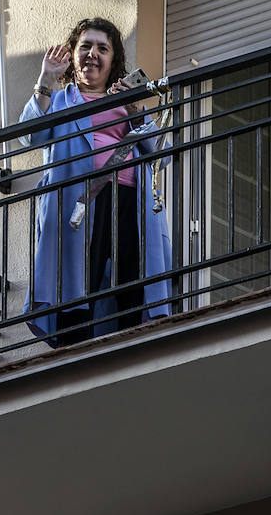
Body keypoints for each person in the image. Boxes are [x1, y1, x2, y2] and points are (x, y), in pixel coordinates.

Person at [19, 17, 173, 346]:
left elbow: (164, 153)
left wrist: (134, 109)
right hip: (79, 201)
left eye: (102, 48)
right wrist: (45, 79)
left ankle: (133, 346)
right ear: (73, 56)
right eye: (85, 46)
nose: (92, 53)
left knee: (131, 277)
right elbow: (29, 136)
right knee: (77, 280)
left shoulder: (126, 102)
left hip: (130, 198)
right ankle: (75, 354)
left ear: (112, 62)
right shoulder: (59, 100)